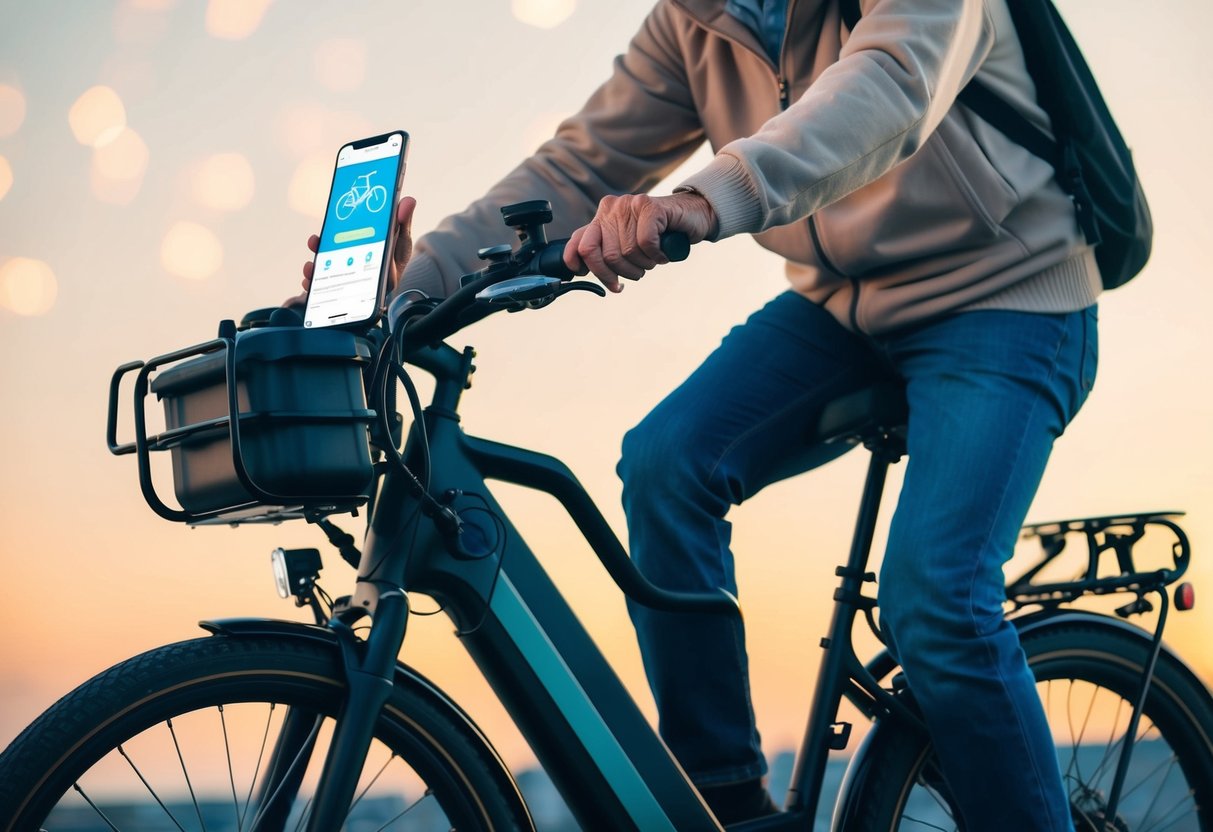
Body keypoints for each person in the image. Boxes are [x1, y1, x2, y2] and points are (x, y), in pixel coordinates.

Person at [299, 1, 1099, 827]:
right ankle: (720, 806)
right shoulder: (696, 20)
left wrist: (705, 198)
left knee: (937, 601)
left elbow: (887, 88)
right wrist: (406, 288)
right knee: (663, 463)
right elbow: (576, 169)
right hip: (844, 310)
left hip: (1008, 297)